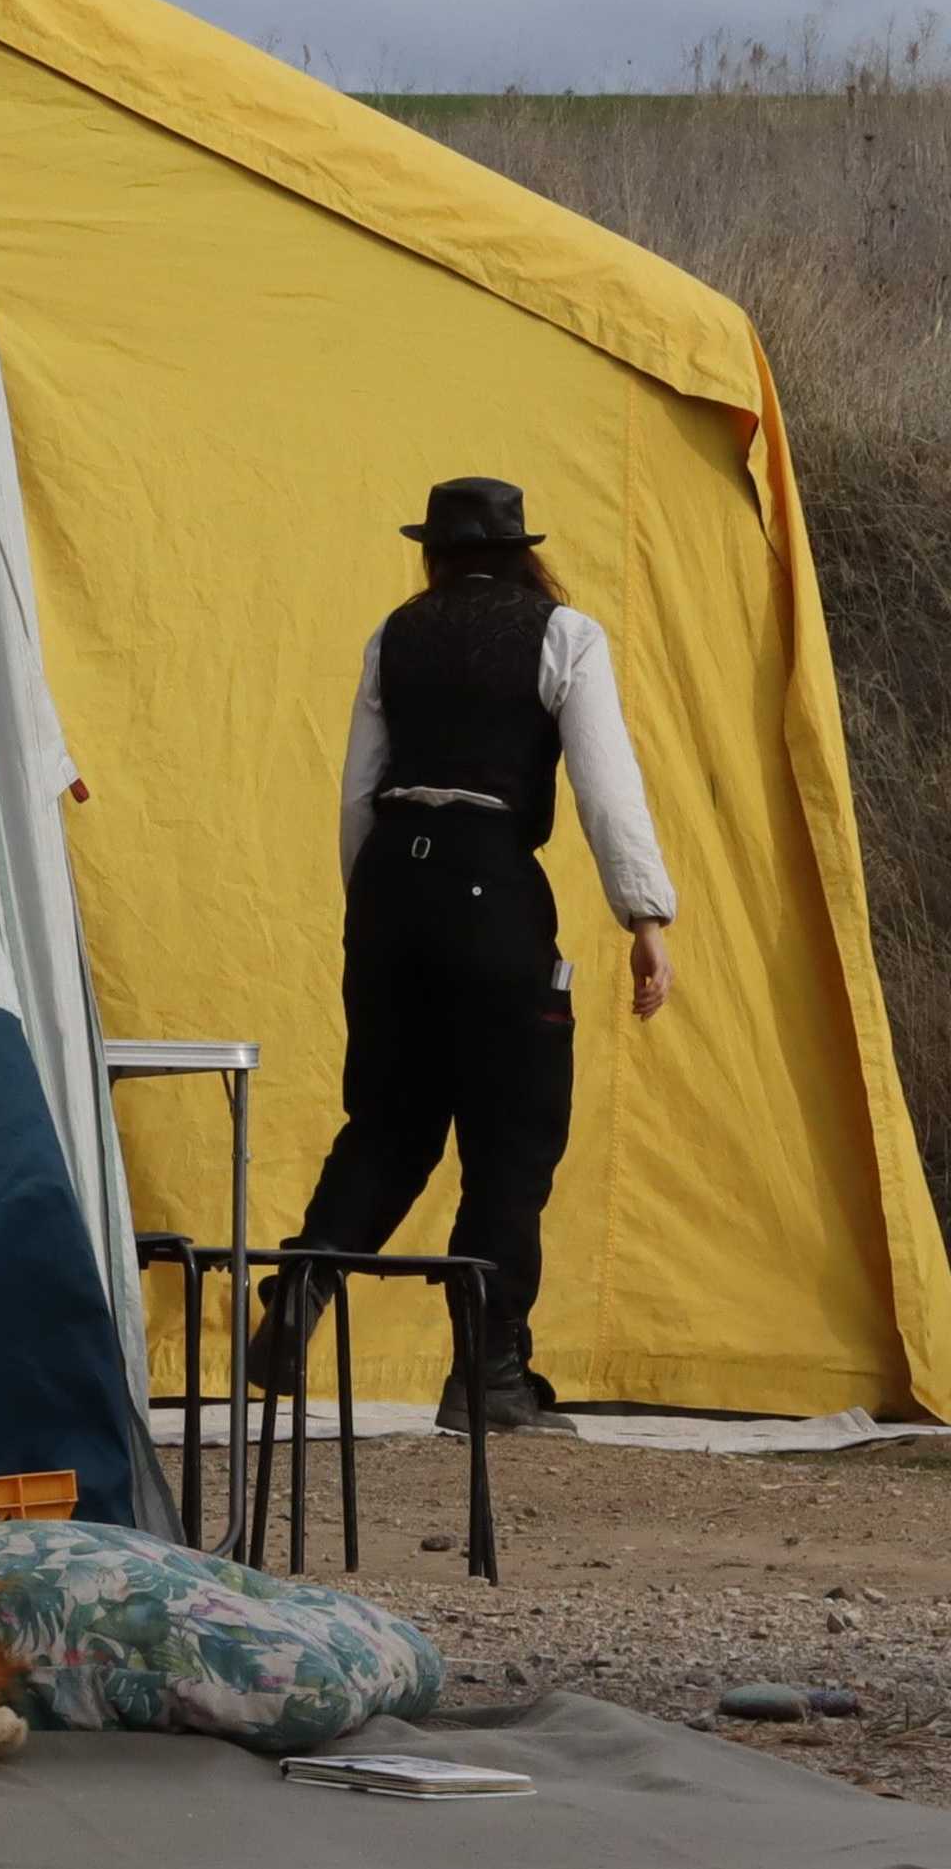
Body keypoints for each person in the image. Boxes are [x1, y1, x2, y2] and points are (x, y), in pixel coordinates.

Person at [245, 477, 678, 1433]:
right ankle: (488, 1380)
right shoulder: (564, 636)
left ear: (434, 555)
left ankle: (301, 1289)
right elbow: (609, 789)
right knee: (510, 1142)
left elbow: (361, 792)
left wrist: (379, 913)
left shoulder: (394, 636)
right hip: (492, 886)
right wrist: (644, 917)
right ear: (525, 551)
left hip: (391, 886)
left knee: (389, 1122)